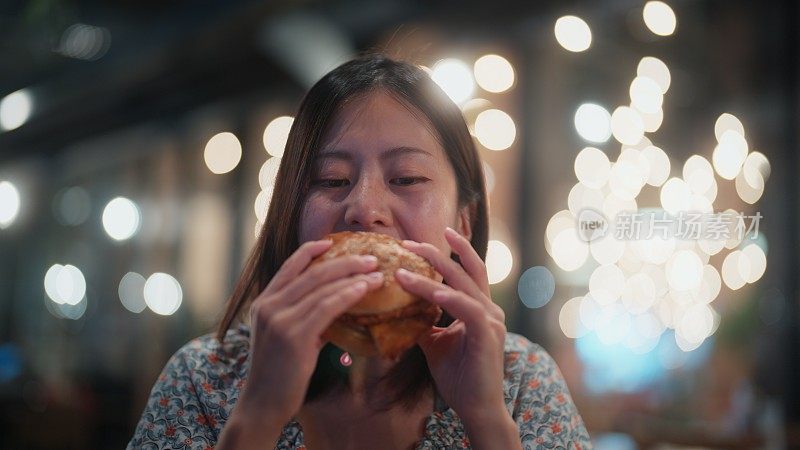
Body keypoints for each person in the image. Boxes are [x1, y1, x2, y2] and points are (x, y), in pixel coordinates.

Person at [127, 52, 593, 450]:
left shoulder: (522, 381)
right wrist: (258, 415)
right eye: (332, 180)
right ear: (291, 214)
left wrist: (488, 420)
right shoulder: (204, 379)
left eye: (406, 178)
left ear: (464, 222)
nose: (365, 209)